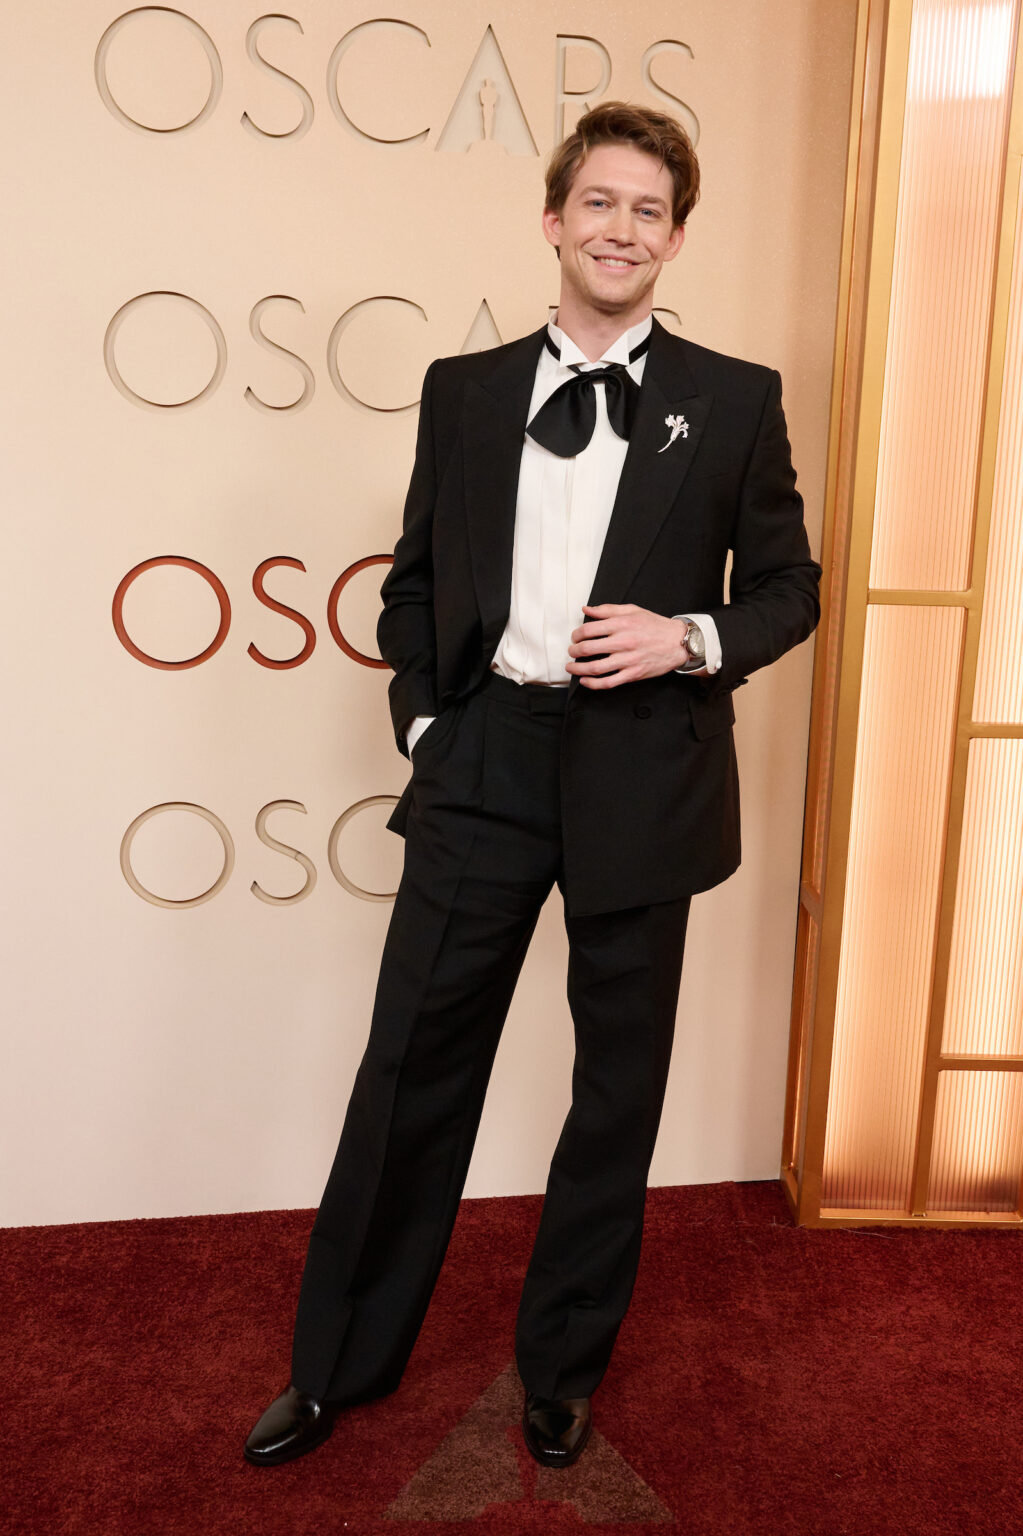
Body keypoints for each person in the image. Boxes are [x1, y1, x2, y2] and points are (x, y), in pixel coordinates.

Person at [244, 100, 821, 1472]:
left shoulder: (735, 399)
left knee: (614, 1094)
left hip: (647, 772)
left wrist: (692, 638)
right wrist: (429, 727)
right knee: (410, 1069)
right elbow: (416, 584)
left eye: (649, 211)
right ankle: (334, 1367)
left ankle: (560, 1367)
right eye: (600, 203)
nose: (621, 228)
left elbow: (792, 588)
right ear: (554, 218)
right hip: (487, 756)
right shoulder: (466, 389)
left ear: (675, 239)